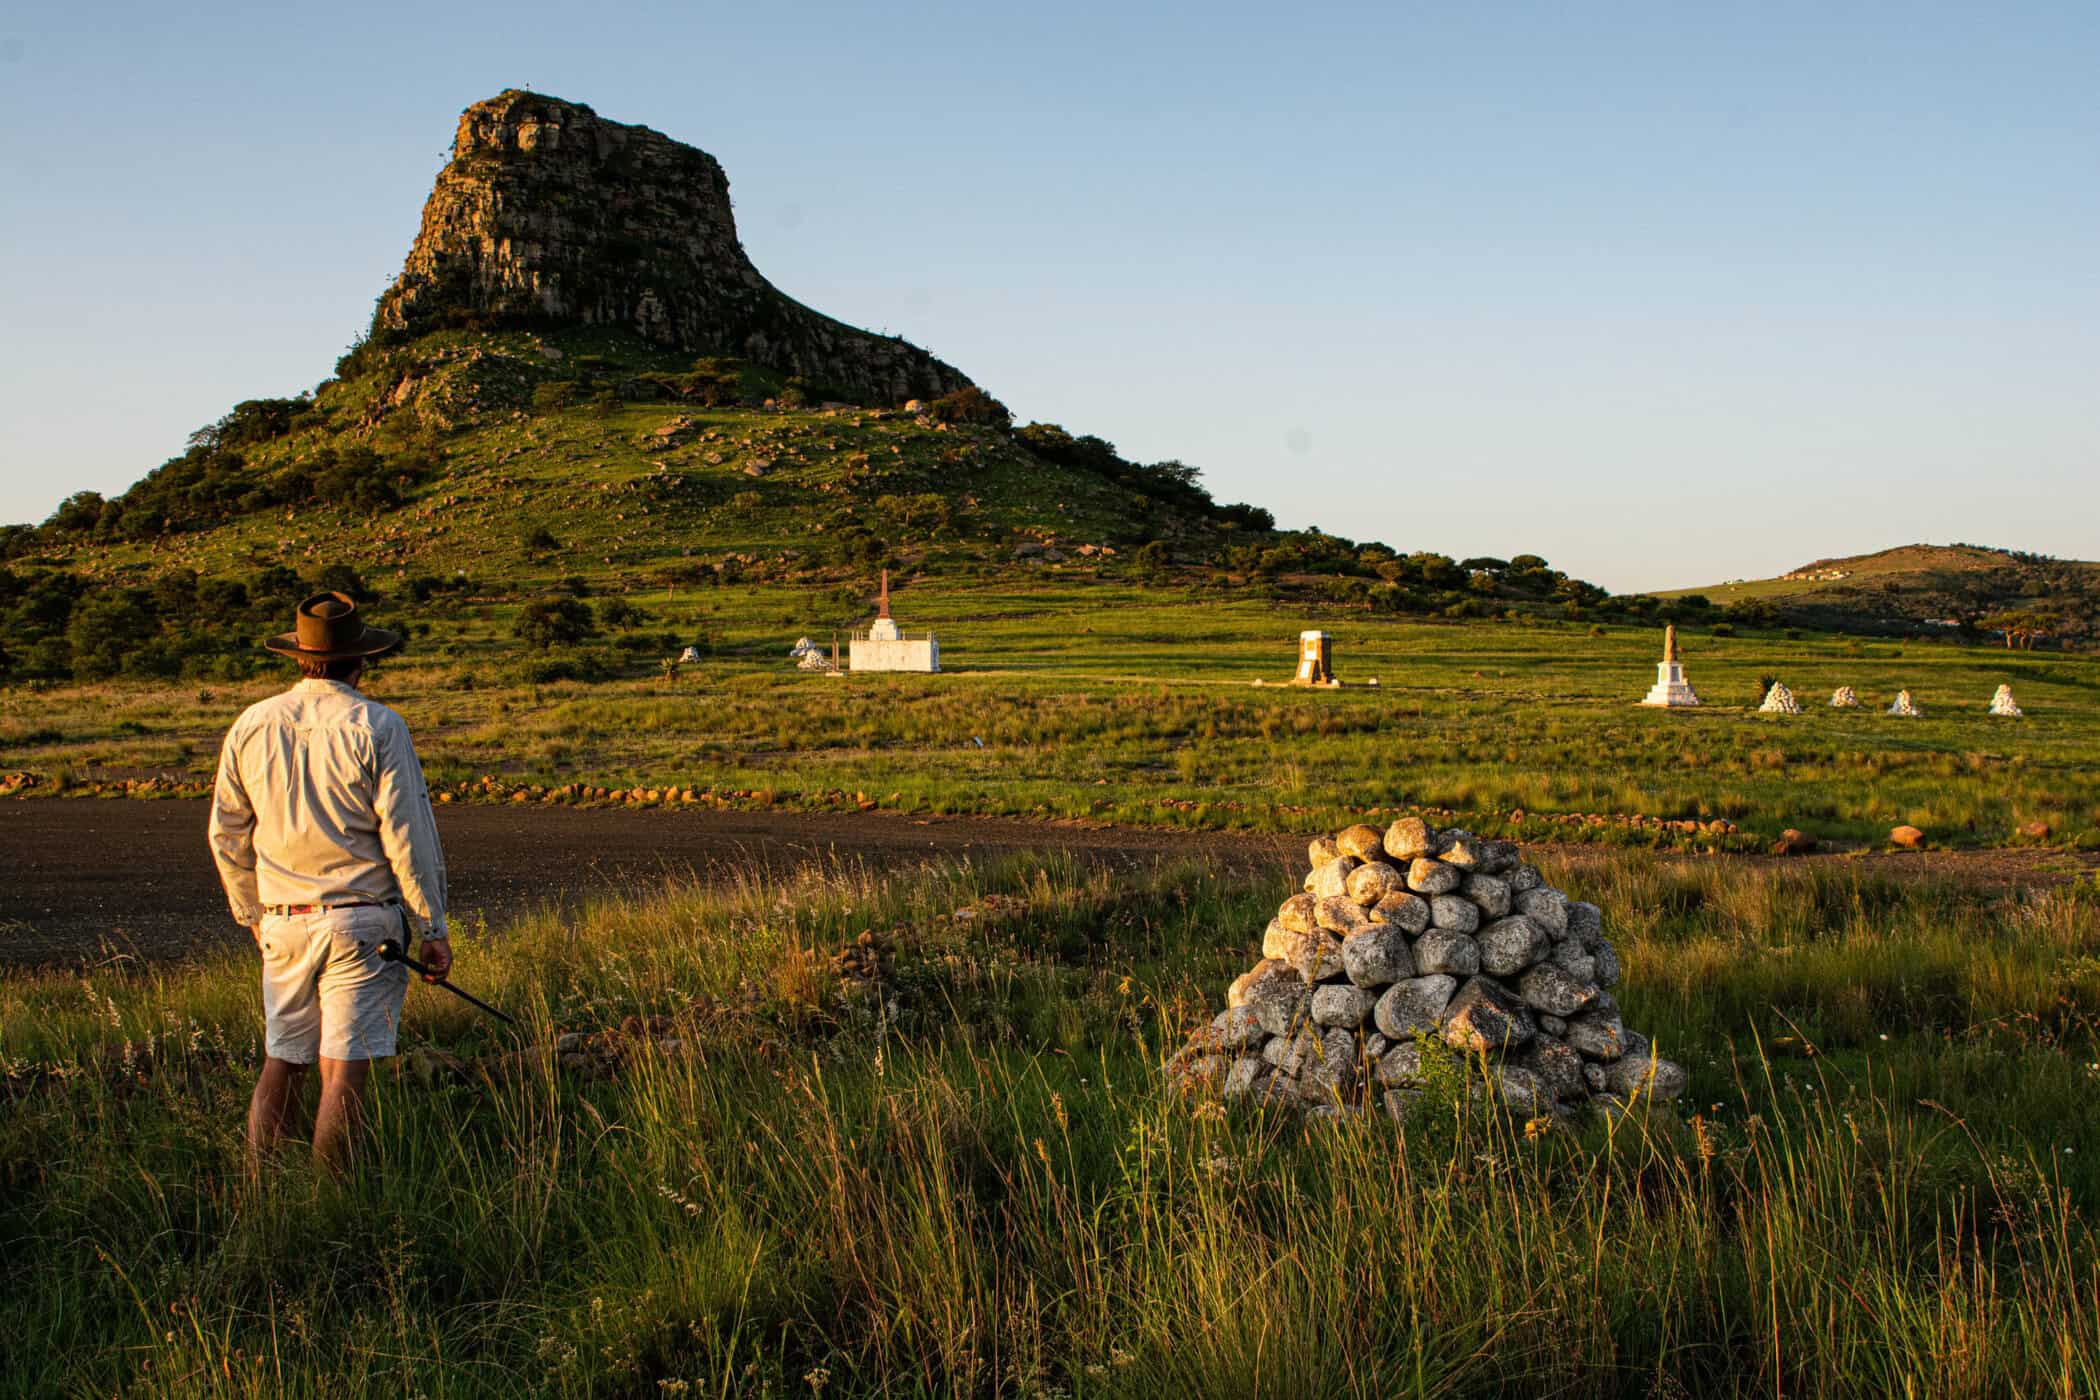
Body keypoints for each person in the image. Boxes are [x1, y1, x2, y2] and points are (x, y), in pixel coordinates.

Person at [208, 591, 451, 1176]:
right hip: (362, 920)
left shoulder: (252, 724)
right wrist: (431, 926)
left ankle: (265, 1195)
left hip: (283, 922)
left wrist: (253, 915)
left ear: (299, 657)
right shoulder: (379, 725)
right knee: (343, 1071)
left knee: (282, 1059)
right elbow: (407, 836)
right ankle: (329, 1204)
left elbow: (226, 832)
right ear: (361, 660)